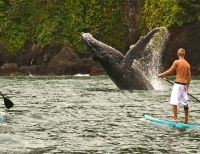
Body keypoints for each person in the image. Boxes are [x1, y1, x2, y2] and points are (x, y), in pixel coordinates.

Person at [158, 48, 191, 123]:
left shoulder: (177, 62)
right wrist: (187, 87)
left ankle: (175, 118)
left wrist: (161, 74)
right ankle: (186, 120)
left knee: (173, 101)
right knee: (185, 102)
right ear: (184, 54)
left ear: (177, 54)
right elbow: (189, 78)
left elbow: (170, 71)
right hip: (184, 85)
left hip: (178, 84)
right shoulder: (187, 64)